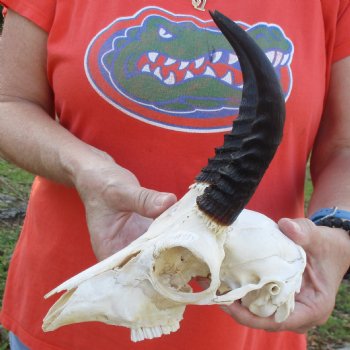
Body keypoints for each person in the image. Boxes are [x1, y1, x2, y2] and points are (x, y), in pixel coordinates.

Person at [0, 1, 349, 349]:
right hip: (69, 315)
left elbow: (344, 147)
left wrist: (337, 230)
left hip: (249, 329)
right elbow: (9, 102)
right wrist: (84, 168)